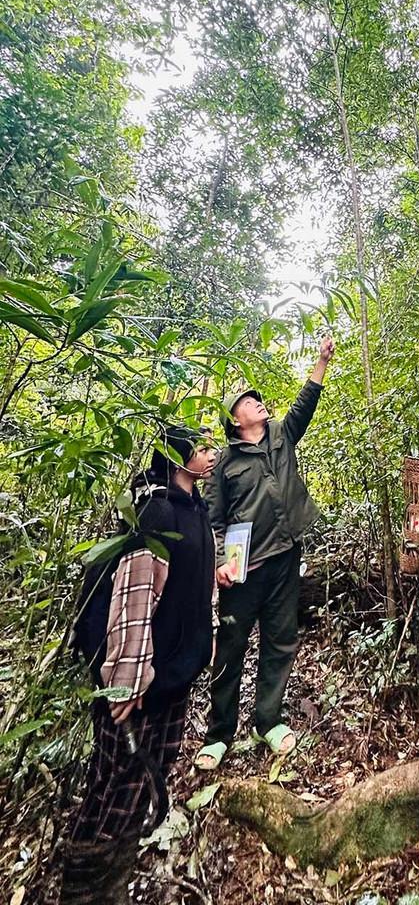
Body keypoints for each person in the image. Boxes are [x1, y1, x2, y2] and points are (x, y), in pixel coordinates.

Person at [63, 426, 217, 904]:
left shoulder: (195, 509)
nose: (212, 454)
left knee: (146, 780)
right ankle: (85, 885)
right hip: (140, 685)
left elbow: (189, 580)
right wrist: (126, 682)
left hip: (175, 677)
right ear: (178, 456)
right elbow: (132, 600)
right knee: (116, 786)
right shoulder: (156, 512)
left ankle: (114, 877)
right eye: (203, 447)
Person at [195, 335, 334, 770]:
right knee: (233, 645)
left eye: (257, 399)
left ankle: (268, 721)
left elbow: (303, 407)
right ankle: (220, 733)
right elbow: (214, 520)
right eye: (249, 401)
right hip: (243, 570)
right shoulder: (225, 463)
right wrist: (219, 563)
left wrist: (321, 361)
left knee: (280, 640)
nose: (258, 403)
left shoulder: (280, 435)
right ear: (236, 422)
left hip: (284, 557)